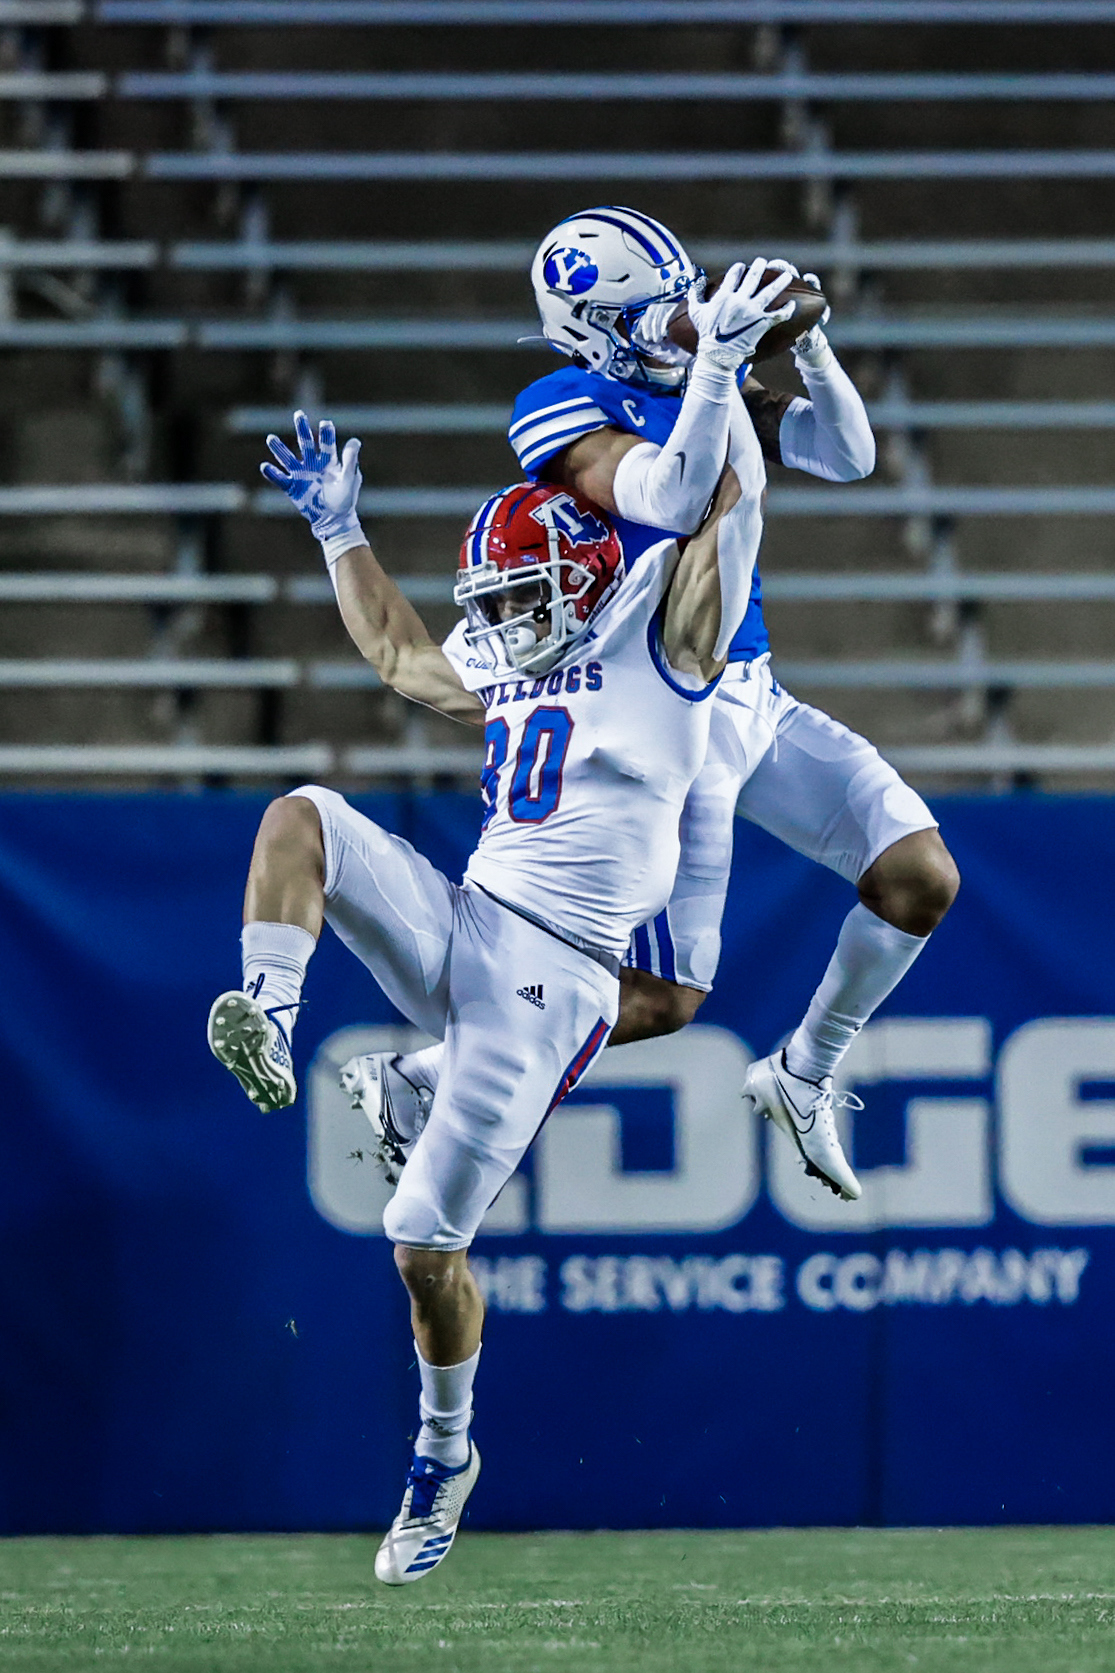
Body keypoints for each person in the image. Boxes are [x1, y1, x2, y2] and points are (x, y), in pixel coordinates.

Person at [207, 268, 774, 1583]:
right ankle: (276, 1026)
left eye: (520, 593)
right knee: (302, 814)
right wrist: (340, 535)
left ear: (582, 575)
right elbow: (405, 660)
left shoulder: (664, 647)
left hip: (559, 980)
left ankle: (442, 1453)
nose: (500, 620)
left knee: (419, 1246)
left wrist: (717, 374)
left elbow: (720, 512)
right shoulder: (525, 643)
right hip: (468, 919)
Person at [348, 207, 959, 1206]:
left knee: (917, 878)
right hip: (663, 704)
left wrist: (808, 342)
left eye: (676, 298)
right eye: (647, 309)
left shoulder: (685, 367)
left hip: (750, 690)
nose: (671, 322)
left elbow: (844, 455)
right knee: (666, 997)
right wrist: (716, 368)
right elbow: (675, 500)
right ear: (586, 322)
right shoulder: (563, 399)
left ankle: (801, 1073)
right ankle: (425, 1081)